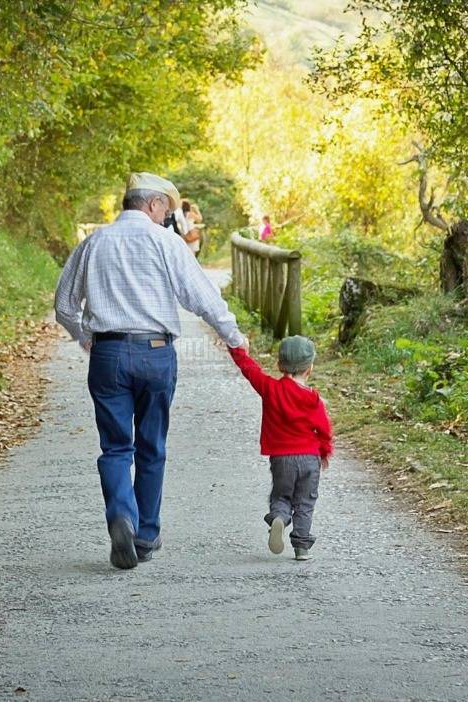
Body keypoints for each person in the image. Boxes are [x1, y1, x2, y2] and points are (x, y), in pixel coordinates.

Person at [54, 172, 246, 570]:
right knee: (151, 446)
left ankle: (121, 516)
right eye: (166, 209)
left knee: (115, 447)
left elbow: (64, 305)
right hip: (156, 353)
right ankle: (145, 534)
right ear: (153, 204)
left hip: (107, 354)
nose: (167, 217)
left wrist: (84, 336)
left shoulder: (94, 242)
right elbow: (203, 299)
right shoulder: (167, 243)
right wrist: (233, 337)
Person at [228, 336, 332, 560]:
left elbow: (249, 370)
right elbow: (324, 430)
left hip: (281, 458)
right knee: (305, 501)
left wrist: (236, 348)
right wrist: (323, 452)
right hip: (309, 458)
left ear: (279, 365)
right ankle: (301, 548)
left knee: (282, 495)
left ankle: (279, 518)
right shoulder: (313, 399)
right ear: (310, 368)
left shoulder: (269, 388)